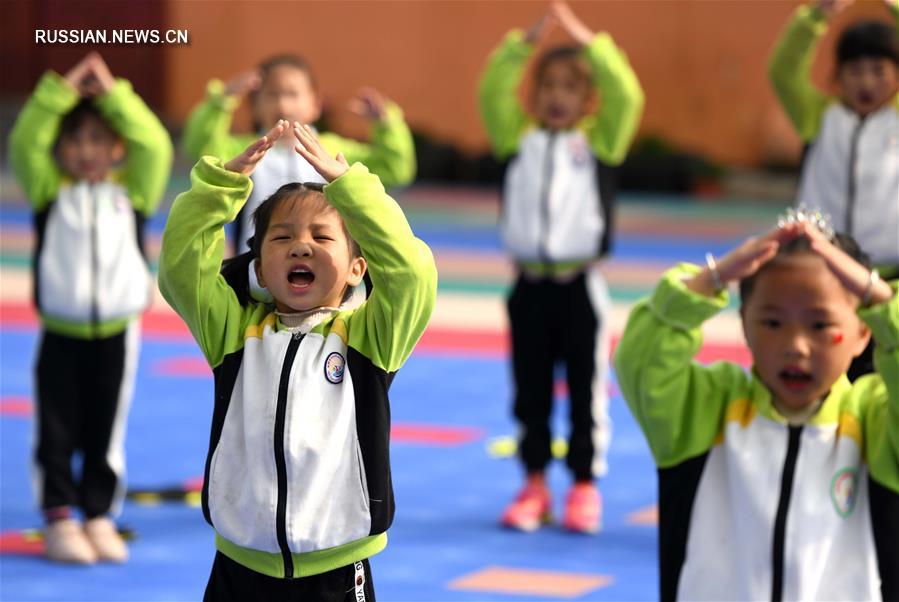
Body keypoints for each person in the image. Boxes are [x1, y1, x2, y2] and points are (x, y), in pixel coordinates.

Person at [158, 120, 436, 601]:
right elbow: (181, 269)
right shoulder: (235, 334)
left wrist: (351, 191)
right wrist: (218, 190)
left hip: (335, 571)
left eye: (323, 238)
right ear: (260, 269)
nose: (301, 245)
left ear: (356, 268)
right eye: (282, 238)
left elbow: (412, 273)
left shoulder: (368, 340)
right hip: (237, 567)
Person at [614, 213, 899, 601]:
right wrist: (711, 279)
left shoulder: (874, 422)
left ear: (863, 332)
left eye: (819, 326)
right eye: (772, 322)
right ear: (744, 324)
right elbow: (640, 363)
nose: (795, 345)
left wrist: (881, 300)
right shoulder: (708, 409)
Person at [478, 0, 644, 534]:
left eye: (570, 88)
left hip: (581, 290)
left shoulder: (599, 142)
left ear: (588, 99)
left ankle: (582, 485)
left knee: (584, 390)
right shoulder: (516, 140)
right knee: (529, 389)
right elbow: (489, 92)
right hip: (527, 287)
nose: (556, 97)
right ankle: (533, 484)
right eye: (547, 87)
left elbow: (628, 93)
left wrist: (587, 40)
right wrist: (519, 47)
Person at [7, 52, 173, 564]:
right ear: (58, 151)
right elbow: (24, 140)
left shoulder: (132, 193)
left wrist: (114, 93)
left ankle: (99, 514)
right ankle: (59, 515)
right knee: (55, 428)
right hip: (61, 331)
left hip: (119, 332)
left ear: (116, 148)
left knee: (105, 428)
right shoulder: (48, 192)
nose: (85, 151)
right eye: (74, 141)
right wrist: (62, 89)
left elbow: (155, 143)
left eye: (97, 140)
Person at [769, 0, 899, 378]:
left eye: (879, 70)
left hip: (890, 277)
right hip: (823, 272)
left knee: (885, 379)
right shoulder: (818, 116)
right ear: (837, 76)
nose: (867, 82)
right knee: (828, 377)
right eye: (855, 71)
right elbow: (783, 70)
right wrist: (816, 15)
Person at [182, 54, 416, 254]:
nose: (283, 105)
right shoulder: (245, 151)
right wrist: (221, 101)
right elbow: (201, 148)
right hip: (255, 266)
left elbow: (394, 169)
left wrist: (387, 127)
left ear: (316, 105)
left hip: (323, 267)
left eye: (293, 94)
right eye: (272, 95)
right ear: (254, 105)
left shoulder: (333, 151)